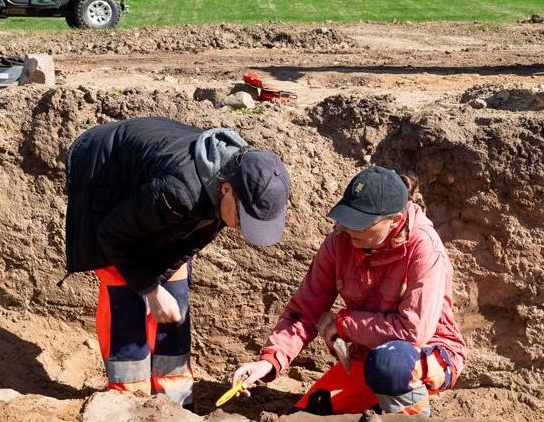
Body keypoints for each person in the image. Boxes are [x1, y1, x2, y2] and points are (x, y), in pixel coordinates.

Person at [63, 116, 291, 410]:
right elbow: (111, 235)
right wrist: (149, 289)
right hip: (106, 176)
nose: (240, 228)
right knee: (125, 299)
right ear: (226, 190)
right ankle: (127, 401)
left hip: (154, 196)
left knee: (175, 300)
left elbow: (191, 240)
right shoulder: (180, 192)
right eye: (242, 219)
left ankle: (175, 406)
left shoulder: (243, 181)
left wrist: (161, 282)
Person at [232, 166, 466, 417]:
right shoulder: (339, 242)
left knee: (391, 366)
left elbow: (412, 333)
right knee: (308, 412)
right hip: (367, 360)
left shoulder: (424, 248)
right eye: (348, 218)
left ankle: (412, 416)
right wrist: (269, 361)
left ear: (394, 220)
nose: (350, 229)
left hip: (425, 354)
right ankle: (378, 402)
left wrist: (344, 324)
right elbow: (305, 310)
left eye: (363, 223)